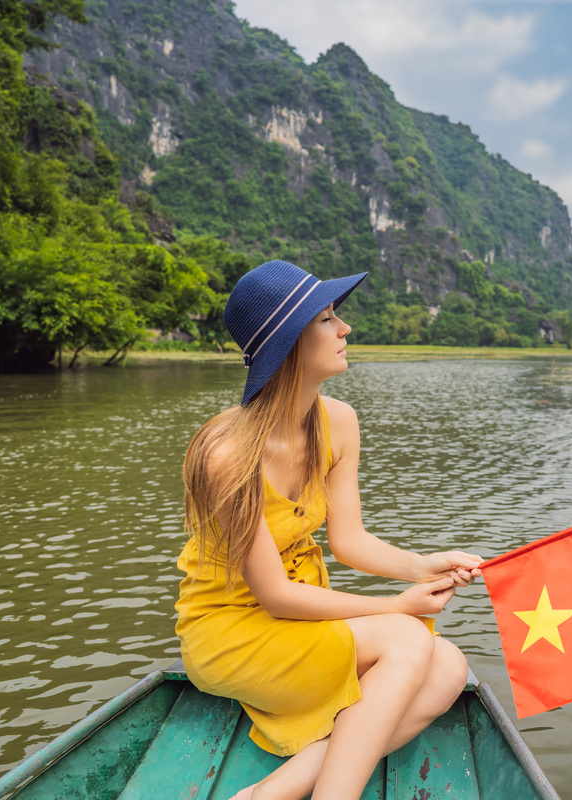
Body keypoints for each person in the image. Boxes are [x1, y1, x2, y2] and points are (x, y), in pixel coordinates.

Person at [175, 260, 483, 800]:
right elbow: (275, 596)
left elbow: (349, 541)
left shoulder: (338, 421)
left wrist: (422, 565)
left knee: (449, 668)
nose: (345, 329)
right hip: (228, 630)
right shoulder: (226, 456)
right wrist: (397, 607)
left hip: (298, 615)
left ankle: (268, 794)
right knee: (408, 638)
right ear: (290, 342)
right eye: (326, 318)